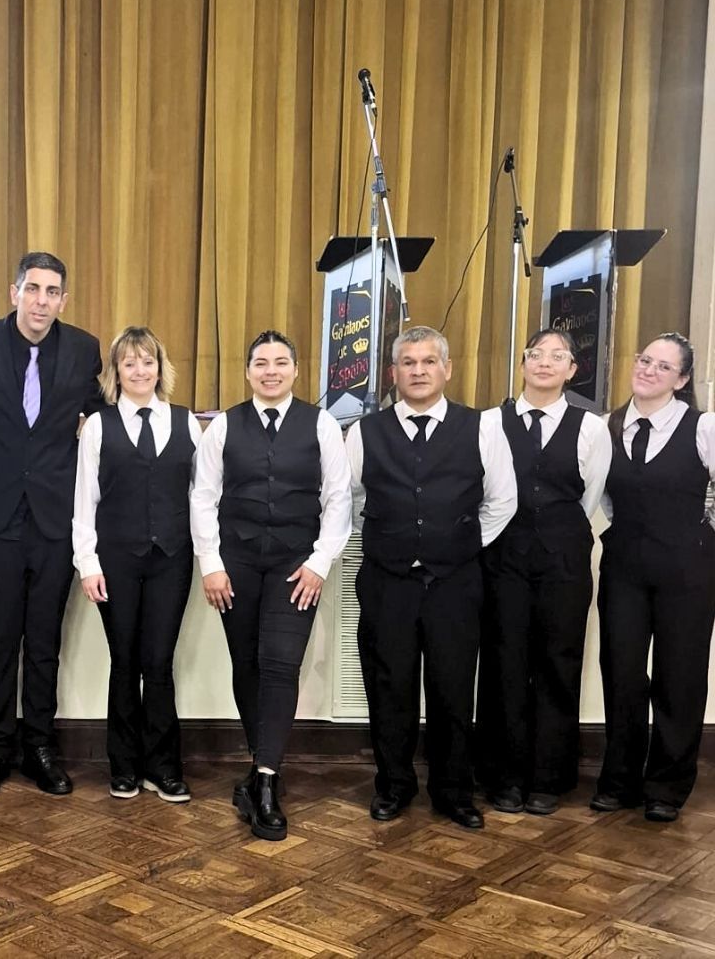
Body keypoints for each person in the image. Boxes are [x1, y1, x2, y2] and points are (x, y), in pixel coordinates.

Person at [346, 325, 516, 831]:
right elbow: (349, 500)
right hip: (386, 581)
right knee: (389, 686)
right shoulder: (365, 432)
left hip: (455, 584)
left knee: (452, 688)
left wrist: (456, 543)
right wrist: (394, 538)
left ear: (447, 369)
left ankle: (454, 792)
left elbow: (502, 500)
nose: (417, 371)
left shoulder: (482, 427)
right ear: (393, 372)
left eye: (427, 362)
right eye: (407, 363)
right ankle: (393, 786)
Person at [190, 330, 351, 841]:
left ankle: (264, 781)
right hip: (235, 563)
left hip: (294, 566)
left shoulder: (321, 424)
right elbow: (203, 497)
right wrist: (211, 564)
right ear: (248, 371)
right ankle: (261, 768)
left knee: (281, 665)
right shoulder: (223, 428)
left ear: (296, 371)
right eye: (261, 362)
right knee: (249, 664)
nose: (271, 370)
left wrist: (321, 562)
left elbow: (338, 499)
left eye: (282, 361)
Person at [0, 251, 102, 797]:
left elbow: (96, 416)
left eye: (53, 292)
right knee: (0, 638)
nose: (42, 300)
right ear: (14, 291)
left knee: (44, 641)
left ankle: (40, 746)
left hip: (52, 520)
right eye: (33, 289)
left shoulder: (85, 349)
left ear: (63, 299)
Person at [477, 329, 611, 815]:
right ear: (523, 362)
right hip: (504, 559)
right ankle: (503, 776)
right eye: (538, 354)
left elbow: (590, 496)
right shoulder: (490, 422)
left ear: (573, 370)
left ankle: (548, 778)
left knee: (558, 663)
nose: (547, 363)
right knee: (504, 663)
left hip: (563, 560)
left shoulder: (591, 428)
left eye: (559, 356)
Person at [73, 327, 200, 802]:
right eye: (129, 363)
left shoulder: (187, 423)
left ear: (160, 368)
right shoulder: (99, 426)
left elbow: (200, 496)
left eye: (148, 361)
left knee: (160, 663)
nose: (140, 371)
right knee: (124, 662)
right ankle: (123, 767)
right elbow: (86, 500)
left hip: (172, 558)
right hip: (116, 561)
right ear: (117, 373)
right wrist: (87, 563)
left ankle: (164, 768)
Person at [592, 332, 715, 823]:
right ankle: (619, 779)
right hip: (625, 565)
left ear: (682, 380)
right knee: (621, 673)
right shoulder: (607, 425)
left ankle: (666, 785)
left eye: (663, 367)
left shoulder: (702, 427)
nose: (648, 370)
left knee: (678, 676)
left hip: (688, 569)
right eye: (644, 360)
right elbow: (600, 495)